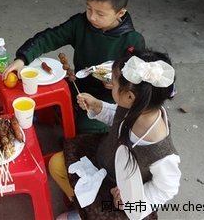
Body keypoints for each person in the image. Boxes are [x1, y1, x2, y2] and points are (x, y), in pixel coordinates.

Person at [3, 0, 145, 134]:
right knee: (44, 100)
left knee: (84, 127)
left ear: (120, 13)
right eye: (89, 9)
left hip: (108, 98)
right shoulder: (80, 23)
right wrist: (22, 58)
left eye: (100, 14)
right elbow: (49, 37)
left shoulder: (133, 40)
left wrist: (120, 84)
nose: (92, 17)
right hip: (78, 84)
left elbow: (140, 81)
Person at [52, 49, 181, 220]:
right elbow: (118, 116)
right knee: (56, 165)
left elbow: (166, 189)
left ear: (129, 96)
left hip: (119, 190)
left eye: (113, 83)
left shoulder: (161, 153)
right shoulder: (136, 107)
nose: (110, 85)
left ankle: (84, 212)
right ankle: (80, 202)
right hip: (103, 158)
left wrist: (131, 202)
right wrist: (98, 106)